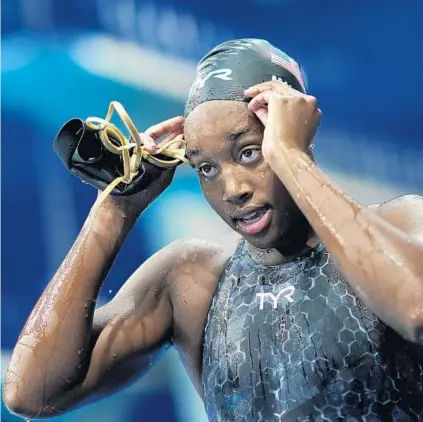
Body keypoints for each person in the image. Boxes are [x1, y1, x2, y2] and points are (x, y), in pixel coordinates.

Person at [3, 39, 423, 421]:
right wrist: (115, 208)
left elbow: (415, 309)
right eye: (207, 168)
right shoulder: (193, 281)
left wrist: (293, 158)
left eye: (250, 152)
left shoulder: (402, 221)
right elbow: (31, 394)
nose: (233, 189)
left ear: (296, 133)